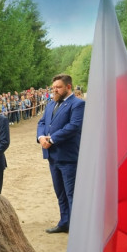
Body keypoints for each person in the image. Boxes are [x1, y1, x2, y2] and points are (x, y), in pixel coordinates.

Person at [36, 74, 85, 233]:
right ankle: (64, 222)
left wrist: (52, 139)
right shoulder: (51, 104)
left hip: (68, 156)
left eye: (58, 87)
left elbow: (74, 126)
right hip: (52, 156)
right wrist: (41, 137)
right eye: (53, 88)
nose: (54, 90)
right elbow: (42, 122)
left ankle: (77, 227)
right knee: (60, 193)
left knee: (72, 194)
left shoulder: (78, 104)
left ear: (68, 87)